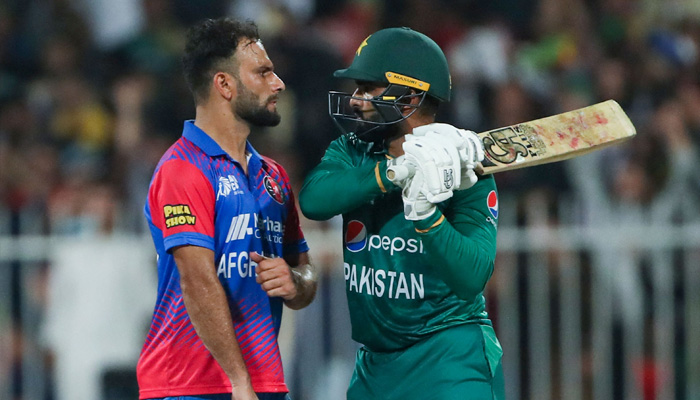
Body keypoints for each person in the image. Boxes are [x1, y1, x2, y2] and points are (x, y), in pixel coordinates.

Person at [299, 27, 505, 399]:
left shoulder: (466, 170)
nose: (354, 101)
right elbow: (314, 200)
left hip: (450, 359)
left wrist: (426, 213)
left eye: (368, 89)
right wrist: (394, 171)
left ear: (409, 97)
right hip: (374, 367)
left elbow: (472, 276)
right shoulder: (353, 150)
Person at [136, 18, 318, 400]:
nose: (278, 83)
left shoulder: (275, 177)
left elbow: (304, 273)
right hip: (192, 383)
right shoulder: (182, 169)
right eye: (263, 72)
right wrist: (238, 381)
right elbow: (197, 282)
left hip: (261, 381)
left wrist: (296, 281)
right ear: (224, 84)